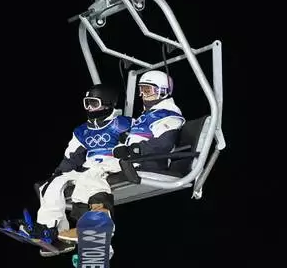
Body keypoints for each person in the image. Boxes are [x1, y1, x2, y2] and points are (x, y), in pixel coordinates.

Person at [31, 82, 130, 244]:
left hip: (113, 162)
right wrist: (59, 172)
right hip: (90, 165)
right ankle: (51, 230)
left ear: (107, 104)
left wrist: (126, 150)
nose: (89, 108)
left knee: (90, 176)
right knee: (52, 184)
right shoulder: (82, 131)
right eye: (87, 103)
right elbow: (71, 156)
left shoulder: (122, 124)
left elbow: (134, 141)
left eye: (94, 103)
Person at [113, 69, 186, 172]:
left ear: (162, 91)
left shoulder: (168, 114)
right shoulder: (148, 115)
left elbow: (164, 143)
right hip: (132, 162)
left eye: (147, 90)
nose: (143, 94)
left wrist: (135, 149)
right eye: (141, 90)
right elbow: (140, 136)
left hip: (149, 163)